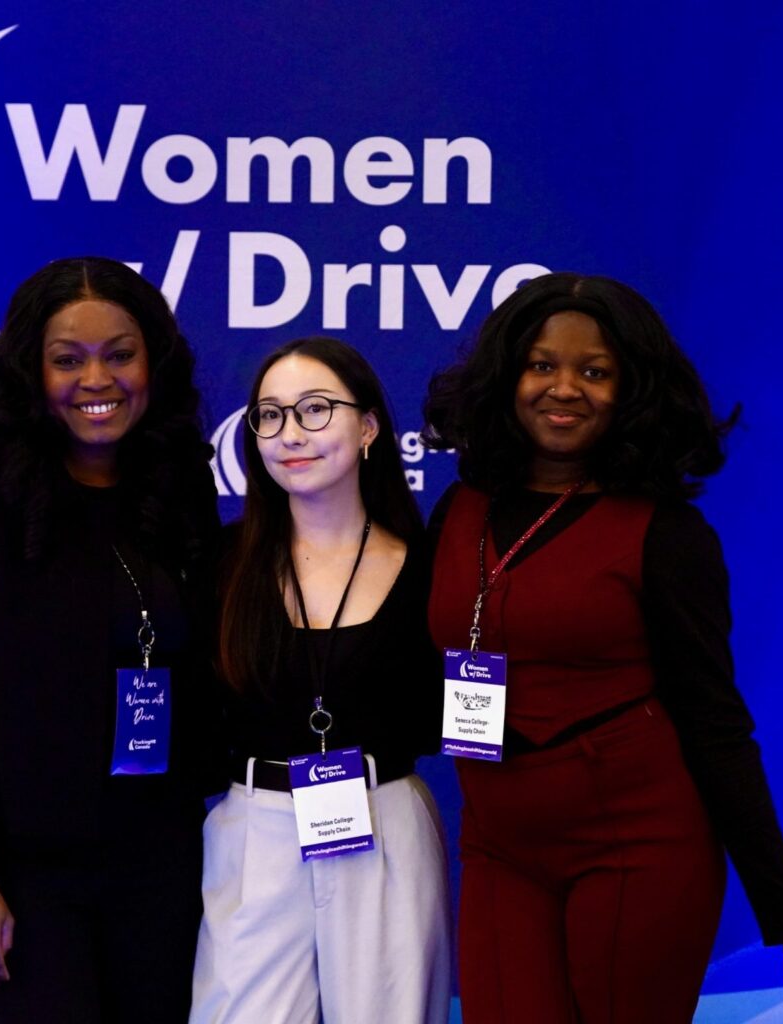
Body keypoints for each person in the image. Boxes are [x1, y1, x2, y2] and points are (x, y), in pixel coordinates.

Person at [423, 271, 783, 1024]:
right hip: (500, 848)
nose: (563, 388)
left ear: (631, 391)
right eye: (541, 365)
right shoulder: (459, 507)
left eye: (594, 372)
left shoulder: (666, 535)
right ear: (507, 375)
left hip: (636, 848)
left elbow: (715, 725)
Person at [0, 257, 221, 1023]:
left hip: (159, 866)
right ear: (28, 372)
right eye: (67, 359)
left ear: (153, 361)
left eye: (119, 354)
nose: (96, 379)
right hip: (21, 875)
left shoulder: (178, 489)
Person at [190, 337, 452, 1024]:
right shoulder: (222, 563)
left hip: (383, 820)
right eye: (269, 416)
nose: (290, 435)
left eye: (314, 410)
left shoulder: (431, 569)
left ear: (366, 429)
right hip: (255, 826)